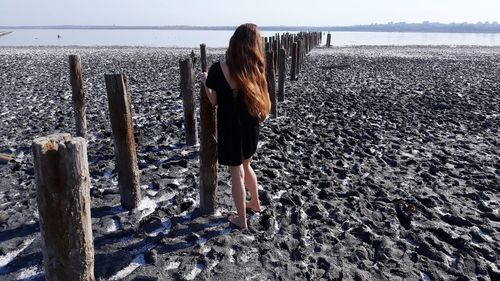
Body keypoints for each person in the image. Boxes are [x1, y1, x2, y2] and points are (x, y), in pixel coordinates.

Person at [200, 23, 270, 229]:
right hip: (250, 127)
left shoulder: (218, 68)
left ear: (234, 43)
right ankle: (255, 204)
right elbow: (265, 102)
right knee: (247, 165)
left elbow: (213, 101)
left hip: (230, 129)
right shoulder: (256, 70)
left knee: (235, 173)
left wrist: (205, 82)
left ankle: (241, 219)